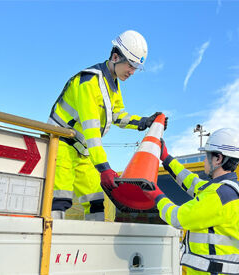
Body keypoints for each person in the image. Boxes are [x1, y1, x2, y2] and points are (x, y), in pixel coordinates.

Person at [48, 30, 167, 221]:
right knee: (59, 199)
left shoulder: (113, 85)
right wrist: (104, 168)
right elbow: (91, 129)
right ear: (115, 56)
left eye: (137, 67)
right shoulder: (88, 82)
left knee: (96, 200)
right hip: (61, 144)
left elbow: (118, 115)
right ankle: (52, 245)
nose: (132, 71)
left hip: (83, 150)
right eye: (130, 64)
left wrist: (144, 122)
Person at [143, 128, 239, 275]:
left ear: (218, 159)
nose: (204, 161)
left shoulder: (219, 194)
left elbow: (178, 217)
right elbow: (191, 181)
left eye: (206, 156)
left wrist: (156, 196)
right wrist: (166, 159)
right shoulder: (225, 190)